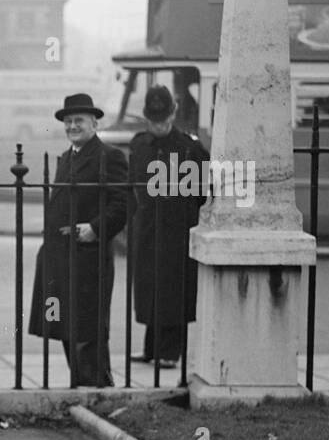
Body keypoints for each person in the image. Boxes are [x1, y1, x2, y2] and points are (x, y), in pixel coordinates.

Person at [27, 92, 128, 387]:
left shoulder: (109, 156)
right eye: (68, 121)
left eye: (79, 121)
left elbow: (123, 203)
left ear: (94, 123)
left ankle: (97, 390)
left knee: (87, 333)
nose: (72, 126)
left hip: (87, 259)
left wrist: (96, 228)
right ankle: (84, 388)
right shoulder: (67, 157)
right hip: (60, 258)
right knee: (68, 329)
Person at [127, 86, 209, 366]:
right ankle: (151, 349)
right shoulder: (139, 146)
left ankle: (170, 353)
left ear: (173, 114)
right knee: (151, 288)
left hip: (178, 230)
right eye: (154, 120)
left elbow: (203, 191)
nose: (159, 125)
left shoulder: (190, 147)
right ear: (146, 117)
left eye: (164, 119)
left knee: (174, 290)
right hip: (148, 227)